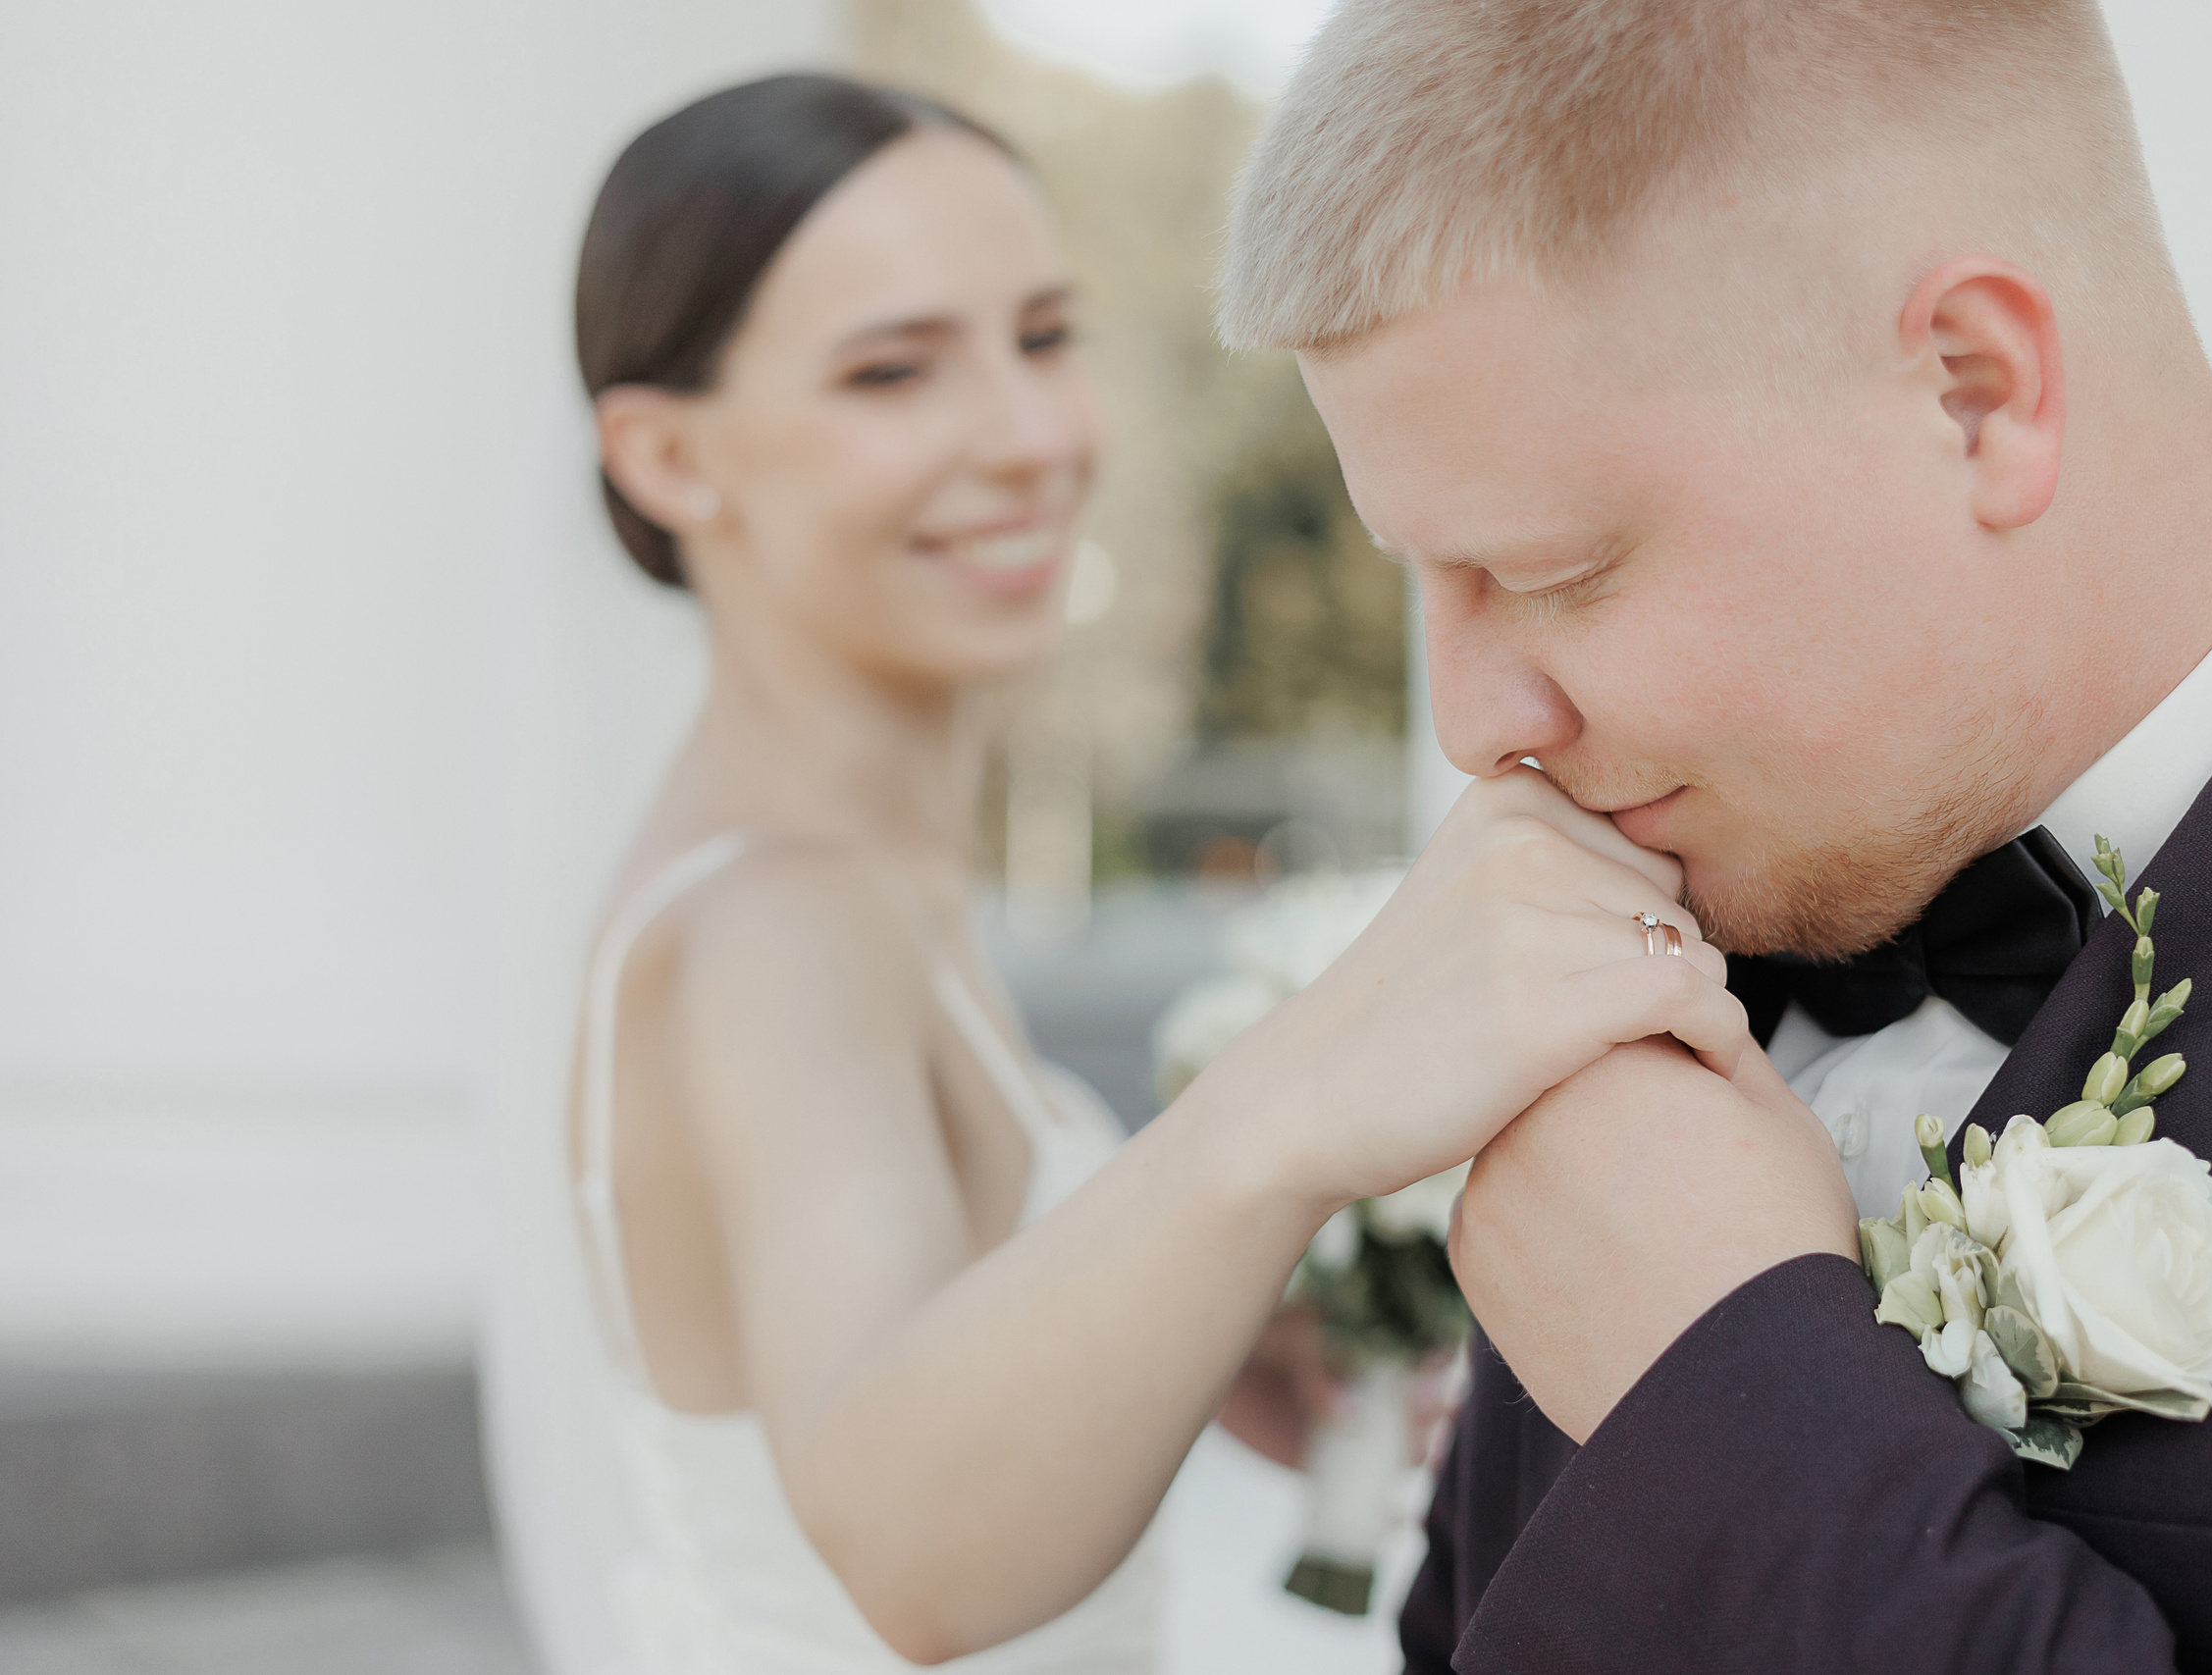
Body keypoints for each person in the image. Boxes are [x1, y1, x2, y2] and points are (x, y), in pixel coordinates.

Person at [1218, 1, 2212, 1670]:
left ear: (1977, 390)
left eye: (1550, 573)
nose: (1476, 723)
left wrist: (1725, 1398)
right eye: (1424, 581)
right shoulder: (1653, 939)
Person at [552, 72, 1738, 1672]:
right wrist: (1302, 1097)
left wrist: (1202, 1317)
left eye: (1043, 338)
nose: (1032, 436)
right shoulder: (780, 915)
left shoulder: (842, 884)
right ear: (671, 457)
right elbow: (913, 1559)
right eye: (894, 370)